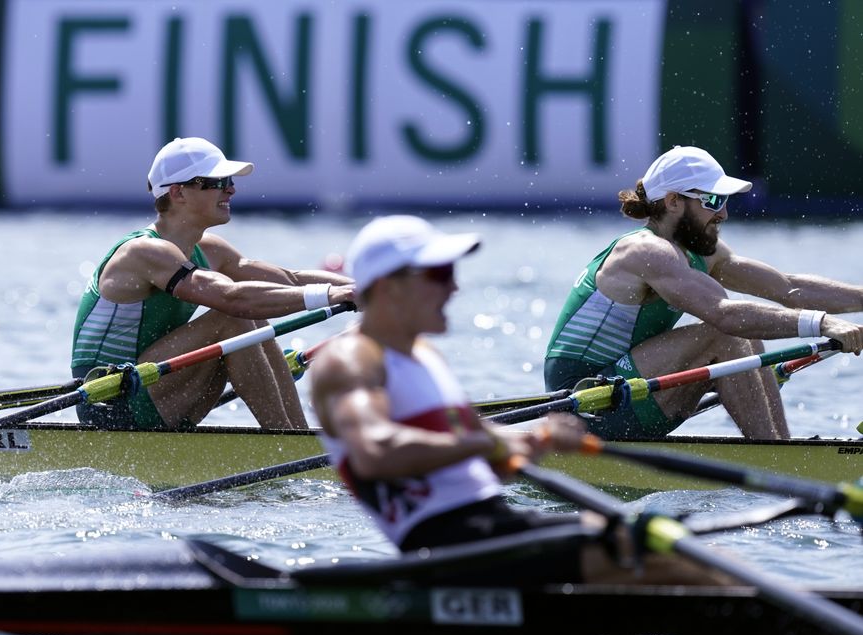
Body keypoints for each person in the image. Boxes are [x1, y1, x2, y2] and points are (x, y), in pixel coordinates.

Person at [309, 215, 728, 585]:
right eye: (438, 275)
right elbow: (374, 452)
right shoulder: (349, 360)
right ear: (388, 288)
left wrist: (529, 441)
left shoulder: (423, 358)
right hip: (446, 549)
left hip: (491, 526)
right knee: (659, 553)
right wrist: (489, 443)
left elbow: (472, 450)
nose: (454, 286)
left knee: (690, 550)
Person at [544, 145, 863, 440]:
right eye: (712, 201)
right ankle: (778, 460)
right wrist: (823, 324)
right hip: (584, 402)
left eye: (724, 201)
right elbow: (723, 314)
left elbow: (789, 288)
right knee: (724, 335)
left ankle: (782, 448)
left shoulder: (700, 252)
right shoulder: (646, 251)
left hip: (629, 390)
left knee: (749, 339)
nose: (723, 213)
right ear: (673, 202)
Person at [71, 137, 354, 431]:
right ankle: (287, 444)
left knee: (254, 315)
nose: (231, 188)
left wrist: (370, 290)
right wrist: (333, 295)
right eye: (217, 182)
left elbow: (291, 279)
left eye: (228, 180)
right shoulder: (143, 252)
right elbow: (231, 298)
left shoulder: (209, 249)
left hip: (154, 389)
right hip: (110, 405)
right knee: (233, 318)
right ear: (179, 192)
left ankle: (296, 435)